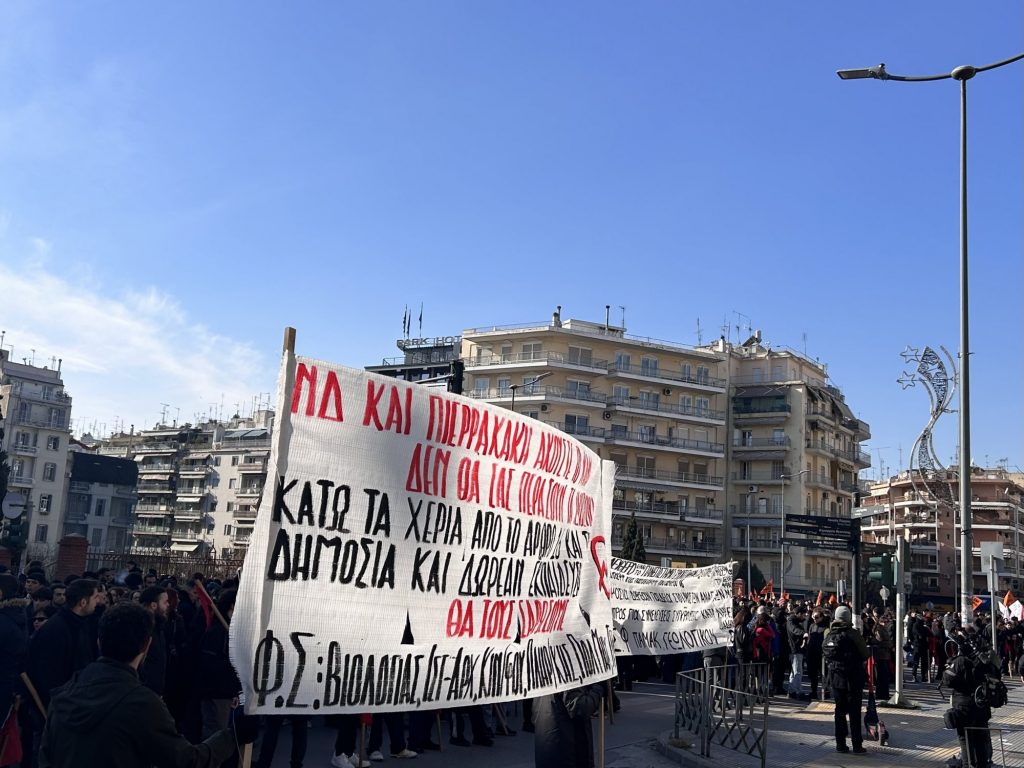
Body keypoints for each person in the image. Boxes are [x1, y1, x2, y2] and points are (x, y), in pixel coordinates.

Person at [37, 602, 239, 767]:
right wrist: (232, 735)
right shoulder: (142, 704)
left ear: (99, 642)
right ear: (146, 646)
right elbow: (185, 760)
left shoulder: (66, 691)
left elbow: (45, 756)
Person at [943, 629, 997, 768]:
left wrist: (950, 664)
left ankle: (969, 765)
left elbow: (947, 680)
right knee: (980, 741)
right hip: (981, 705)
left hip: (964, 707)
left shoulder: (961, 661)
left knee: (966, 742)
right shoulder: (985, 660)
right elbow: (997, 675)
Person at [823, 605, 869, 755]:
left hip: (836, 678)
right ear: (848, 617)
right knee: (854, 712)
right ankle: (857, 745)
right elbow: (865, 653)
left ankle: (840, 744)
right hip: (853, 677)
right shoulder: (853, 633)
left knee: (839, 711)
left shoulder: (828, 633)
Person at [533, 683, 604, 768]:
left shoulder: (542, 678)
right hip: (568, 751)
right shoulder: (567, 678)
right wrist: (598, 688)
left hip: (550, 748)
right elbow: (582, 707)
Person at [139, 586, 169, 696]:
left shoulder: (158, 627)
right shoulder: (143, 629)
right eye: (165, 602)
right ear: (154, 605)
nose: (168, 605)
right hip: (144, 692)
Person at [786, 605, 808, 698]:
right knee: (797, 671)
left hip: (796, 649)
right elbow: (794, 630)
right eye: (803, 614)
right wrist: (803, 633)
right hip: (795, 649)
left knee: (794, 671)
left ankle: (792, 690)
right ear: (798, 614)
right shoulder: (791, 621)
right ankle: (797, 691)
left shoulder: (795, 621)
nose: (804, 616)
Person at [806, 610, 828, 700]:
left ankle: (825, 692)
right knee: (812, 674)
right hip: (811, 653)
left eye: (817, 617)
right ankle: (813, 692)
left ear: (821, 617)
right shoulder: (812, 626)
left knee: (824, 674)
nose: (815, 619)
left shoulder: (826, 627)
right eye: (813, 617)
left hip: (821, 654)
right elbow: (809, 638)